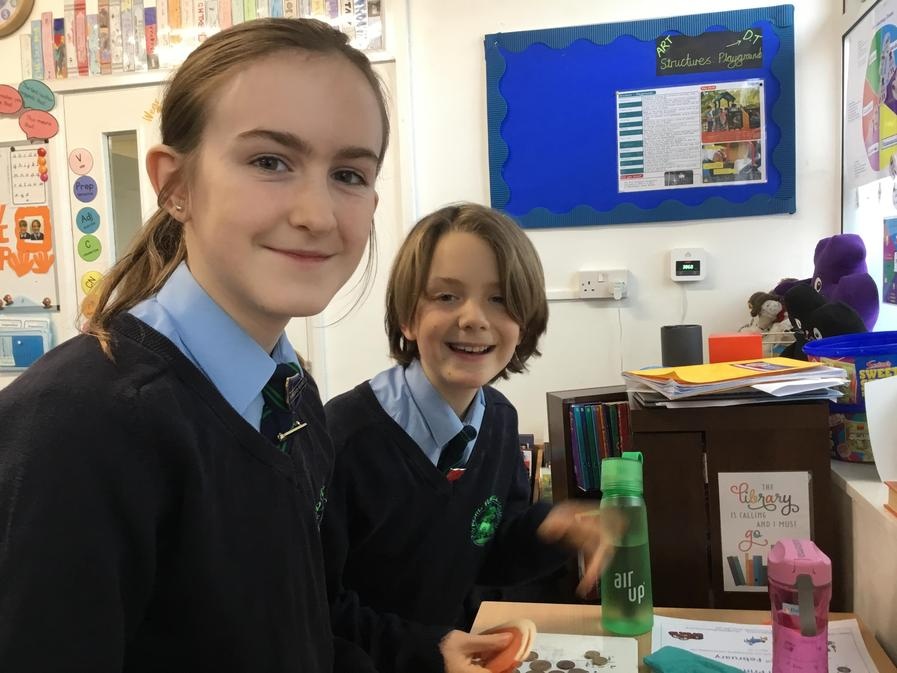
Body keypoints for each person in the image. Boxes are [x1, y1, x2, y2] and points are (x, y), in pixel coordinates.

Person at [0, 18, 396, 672]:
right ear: (175, 185)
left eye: (349, 174)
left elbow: (299, 625)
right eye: (270, 162)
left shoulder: (291, 401)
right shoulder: (78, 425)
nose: (317, 214)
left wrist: (429, 651)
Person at [321, 203, 615, 673]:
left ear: (523, 324)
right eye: (446, 296)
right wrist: (429, 649)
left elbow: (487, 550)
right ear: (407, 318)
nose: (474, 318)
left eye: (499, 299)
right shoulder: (341, 439)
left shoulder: (498, 421)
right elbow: (316, 608)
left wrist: (553, 528)